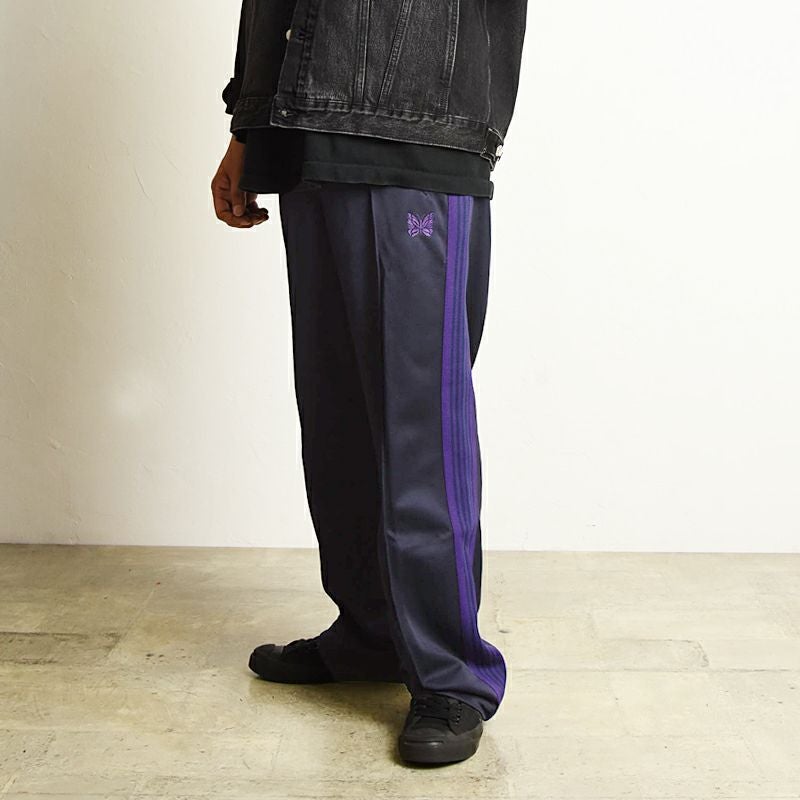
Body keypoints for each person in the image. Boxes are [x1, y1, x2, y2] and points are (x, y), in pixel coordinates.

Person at [211, 0, 528, 765]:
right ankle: (371, 633)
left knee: (420, 429)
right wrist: (248, 128)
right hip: (302, 134)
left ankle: (452, 675)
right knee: (337, 420)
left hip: (418, 131)